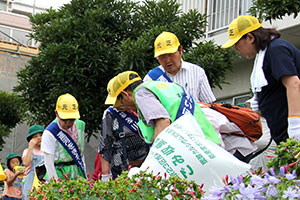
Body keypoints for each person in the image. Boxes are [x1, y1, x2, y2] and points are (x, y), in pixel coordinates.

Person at [221, 15, 300, 144]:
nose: (236, 49)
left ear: (250, 37)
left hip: (293, 132)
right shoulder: (264, 55)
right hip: (282, 134)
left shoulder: (276, 49)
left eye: (237, 43)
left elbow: (294, 84)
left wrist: (296, 126)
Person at [105, 71, 221, 145]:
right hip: (210, 141)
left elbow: (163, 121)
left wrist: (155, 157)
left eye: (121, 103)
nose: (123, 108)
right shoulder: (164, 86)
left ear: (125, 94)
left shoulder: (140, 93)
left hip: (196, 148)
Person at [144, 31, 216, 103]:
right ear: (157, 58)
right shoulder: (150, 80)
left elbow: (209, 104)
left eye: (171, 55)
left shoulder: (197, 72)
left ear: (180, 51)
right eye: (162, 57)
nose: (167, 60)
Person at [41, 93, 86, 181]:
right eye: (64, 120)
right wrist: (55, 185)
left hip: (77, 172)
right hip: (59, 173)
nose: (68, 123)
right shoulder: (50, 132)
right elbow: (48, 163)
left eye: (72, 119)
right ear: (57, 113)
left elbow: (81, 154)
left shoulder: (80, 125)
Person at [98, 106, 150, 181]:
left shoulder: (144, 108)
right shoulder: (111, 114)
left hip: (146, 168)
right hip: (121, 171)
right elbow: (105, 147)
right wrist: (106, 175)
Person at [22, 124, 44, 200]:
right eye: (35, 136)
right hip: (31, 179)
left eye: (41, 135)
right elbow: (26, 163)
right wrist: (30, 148)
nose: (39, 138)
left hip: (44, 179)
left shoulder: (47, 151)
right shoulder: (27, 151)